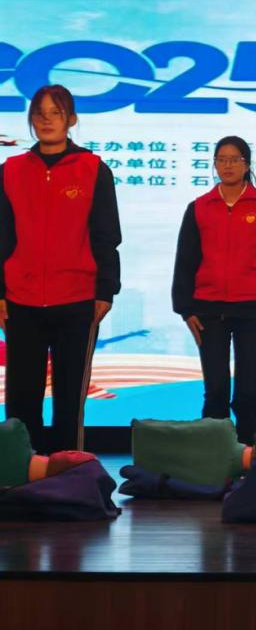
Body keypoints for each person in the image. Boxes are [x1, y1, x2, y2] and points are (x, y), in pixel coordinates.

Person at [0, 85, 121, 452]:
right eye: (40, 113)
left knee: (69, 399)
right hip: (20, 300)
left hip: (77, 299)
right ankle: (23, 472)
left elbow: (106, 235)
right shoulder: (11, 170)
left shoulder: (93, 169)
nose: (47, 120)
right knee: (22, 399)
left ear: (71, 119)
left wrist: (105, 290)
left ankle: (70, 474)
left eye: (56, 112)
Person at [171, 136, 256, 444]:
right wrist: (185, 309)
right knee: (216, 390)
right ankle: (213, 454)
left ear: (247, 165)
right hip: (208, 311)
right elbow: (185, 260)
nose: (228, 165)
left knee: (248, 390)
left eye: (235, 159)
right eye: (221, 159)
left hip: (253, 310)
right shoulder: (199, 207)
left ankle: (249, 453)